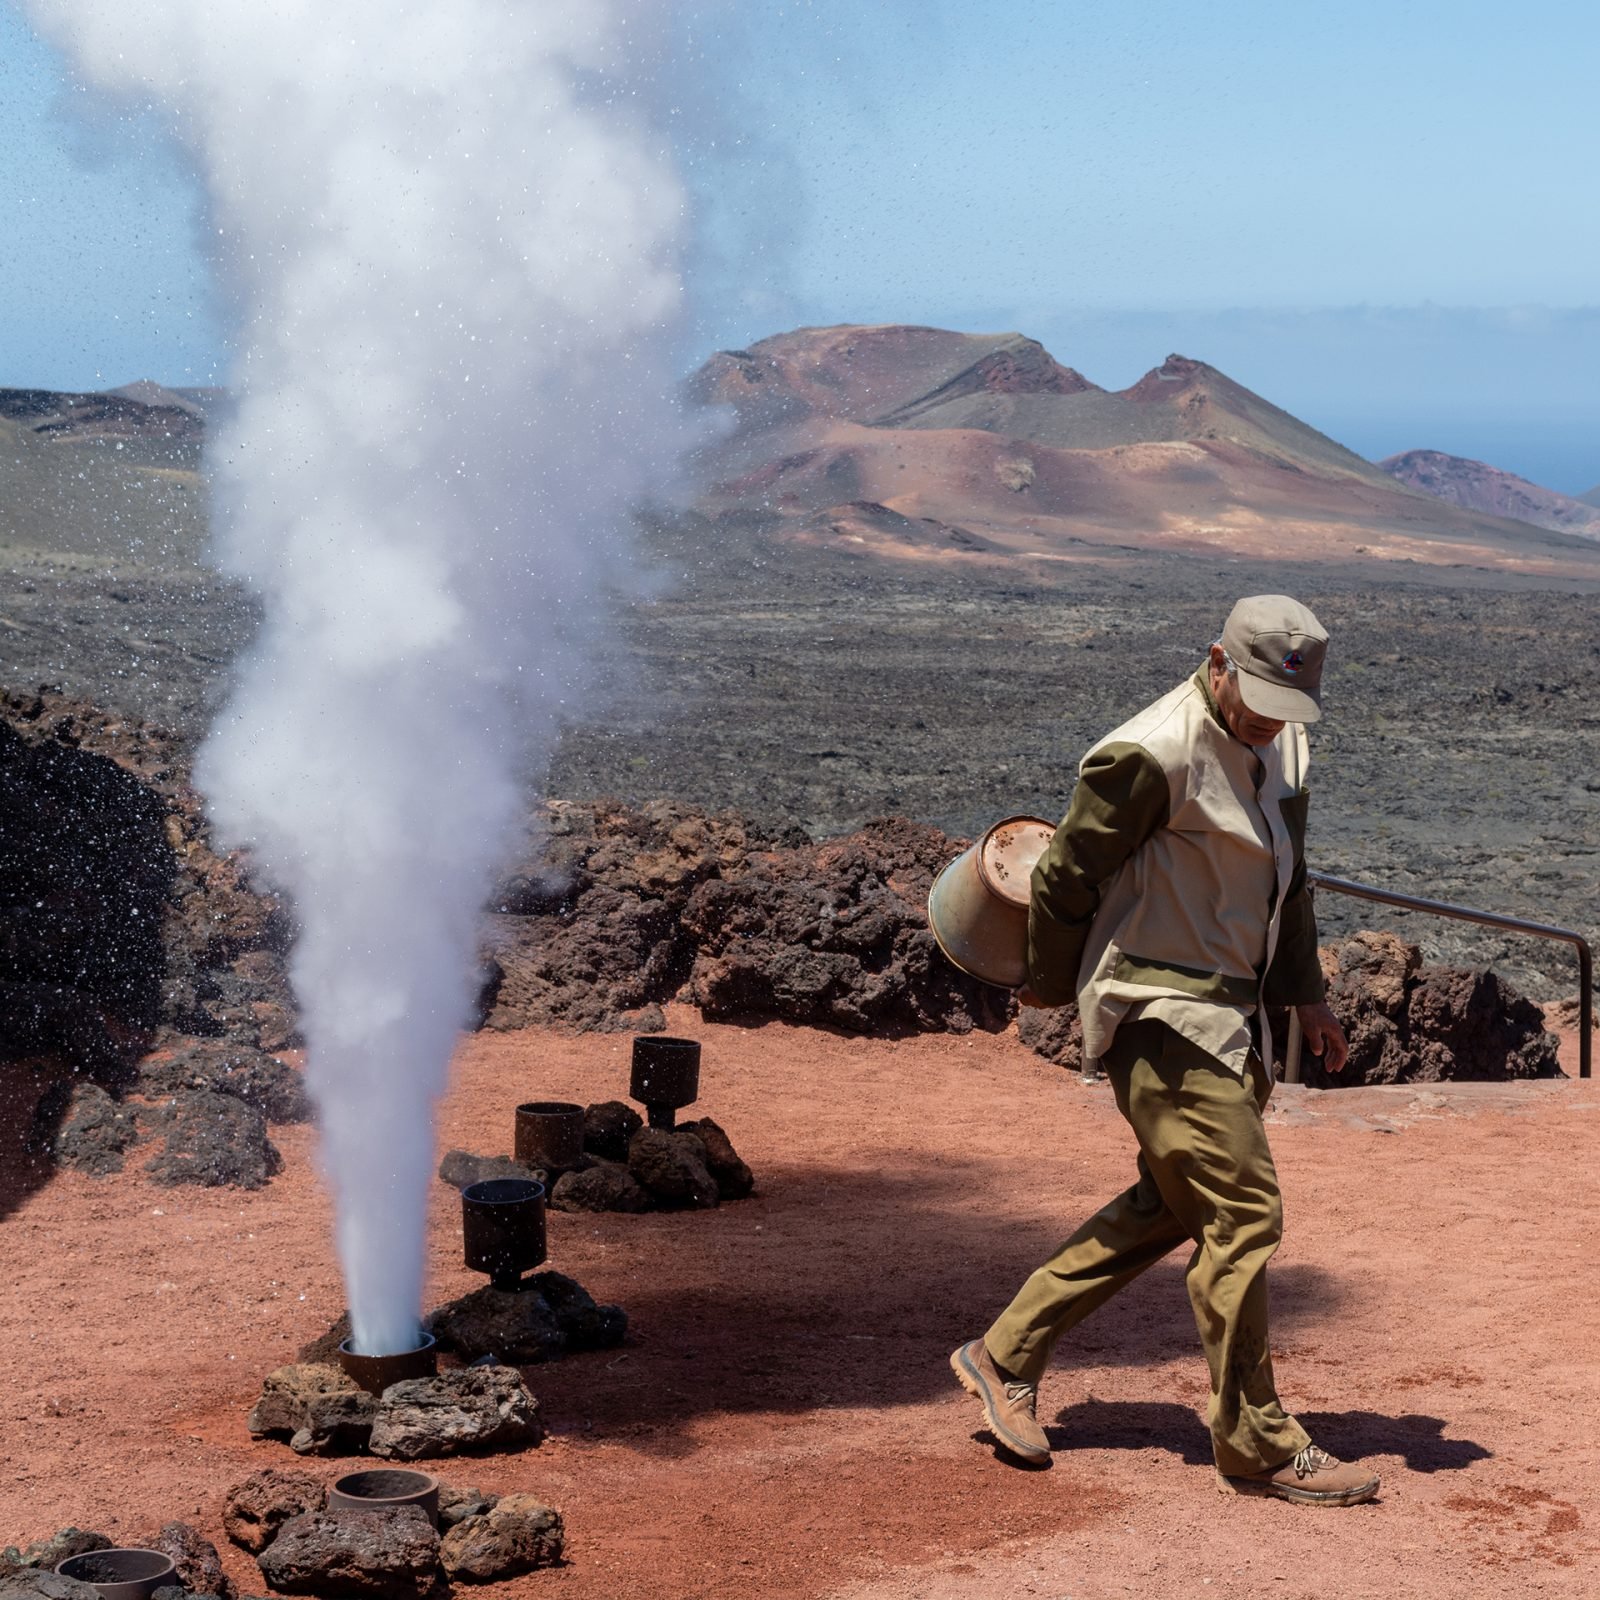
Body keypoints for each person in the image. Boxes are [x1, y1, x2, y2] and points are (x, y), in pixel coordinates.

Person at [951, 594, 1379, 1507]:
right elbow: (1066, 871)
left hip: (1235, 1013)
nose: (1268, 720)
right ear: (1216, 662)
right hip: (1159, 1009)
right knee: (1245, 1212)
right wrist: (1049, 985)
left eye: (1286, 706)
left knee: (1171, 1205)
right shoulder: (1150, 750)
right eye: (1255, 696)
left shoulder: (1284, 740)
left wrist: (1307, 997)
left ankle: (1004, 1352)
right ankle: (1255, 1441)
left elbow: (1289, 880)